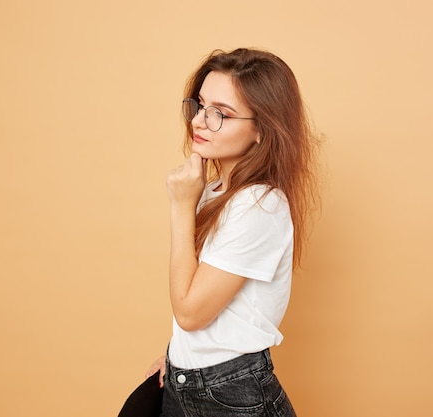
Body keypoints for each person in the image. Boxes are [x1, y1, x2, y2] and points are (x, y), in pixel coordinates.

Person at [128, 48, 319, 417]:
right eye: (200, 105)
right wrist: (178, 356)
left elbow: (191, 313)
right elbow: (205, 304)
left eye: (221, 114)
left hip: (230, 395)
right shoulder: (216, 191)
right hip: (191, 382)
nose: (200, 121)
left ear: (262, 129)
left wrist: (182, 207)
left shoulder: (260, 205)